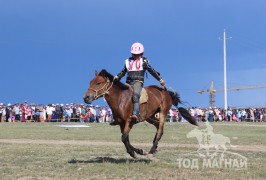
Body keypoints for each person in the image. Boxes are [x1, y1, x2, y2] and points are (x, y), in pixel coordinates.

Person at [114, 42, 165, 121]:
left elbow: (152, 71)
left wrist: (160, 79)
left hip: (138, 82)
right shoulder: (128, 61)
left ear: (142, 53)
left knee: (135, 95)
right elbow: (123, 72)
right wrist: (117, 77)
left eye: (137, 54)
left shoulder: (144, 61)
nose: (136, 56)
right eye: (134, 54)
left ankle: (136, 113)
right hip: (128, 83)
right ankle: (117, 117)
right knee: (119, 95)